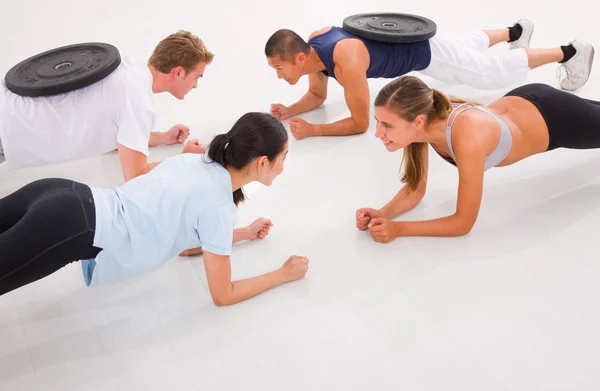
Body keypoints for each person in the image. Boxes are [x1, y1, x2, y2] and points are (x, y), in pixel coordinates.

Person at [0, 112, 309, 306]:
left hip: (62, 192)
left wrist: (241, 233)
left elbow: (181, 244)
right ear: (262, 162)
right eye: (283, 158)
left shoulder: (197, 162)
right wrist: (282, 274)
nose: (283, 166)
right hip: (69, 226)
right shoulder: (218, 205)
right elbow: (223, 295)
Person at [355, 75, 600, 243]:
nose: (378, 133)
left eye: (387, 125)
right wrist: (383, 213)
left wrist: (400, 229)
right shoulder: (424, 126)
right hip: (527, 101)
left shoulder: (467, 136)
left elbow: (463, 223)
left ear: (417, 121)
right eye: (378, 122)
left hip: (556, 118)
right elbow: (416, 190)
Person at [264, 19, 595, 140]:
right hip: (421, 42)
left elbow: (360, 122)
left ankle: (569, 52)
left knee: (488, 73)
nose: (279, 76)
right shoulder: (315, 44)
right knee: (466, 48)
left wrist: (315, 130)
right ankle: (517, 31)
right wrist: (290, 110)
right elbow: (318, 97)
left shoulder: (344, 60)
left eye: (280, 68)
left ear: (299, 58)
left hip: (425, 54)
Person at [0, 30, 212, 181]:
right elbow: (137, 177)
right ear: (178, 72)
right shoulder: (138, 101)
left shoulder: (128, 68)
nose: (195, 85)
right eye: (196, 77)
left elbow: (118, 132)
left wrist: (162, 137)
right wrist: (184, 159)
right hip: (8, 128)